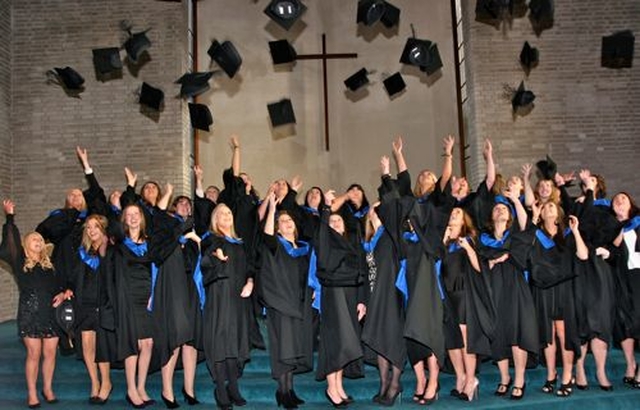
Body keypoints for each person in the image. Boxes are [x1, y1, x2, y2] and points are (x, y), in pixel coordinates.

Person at [1, 199, 72, 408]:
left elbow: (63, 285)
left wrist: (64, 293)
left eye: (40, 240)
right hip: (29, 313)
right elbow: (9, 242)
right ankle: (32, 393)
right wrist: (10, 217)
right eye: (34, 239)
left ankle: (47, 388)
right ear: (25, 245)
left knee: (50, 353)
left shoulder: (51, 266)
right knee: (34, 354)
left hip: (50, 313)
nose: (38, 242)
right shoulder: (19, 262)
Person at [478, 188, 538, 400]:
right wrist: (492, 261)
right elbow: (478, 264)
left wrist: (515, 200)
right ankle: (504, 377)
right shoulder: (483, 239)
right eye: (497, 209)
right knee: (498, 333)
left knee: (516, 331)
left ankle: (519, 378)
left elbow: (526, 225)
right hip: (493, 287)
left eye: (504, 208)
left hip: (514, 285)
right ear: (491, 216)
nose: (500, 211)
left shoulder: (515, 235)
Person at [528, 201, 588, 397]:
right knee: (548, 333)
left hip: (563, 288)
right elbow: (525, 252)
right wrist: (533, 220)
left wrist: (576, 231)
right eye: (545, 207)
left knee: (564, 332)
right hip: (544, 288)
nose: (549, 208)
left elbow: (583, 255)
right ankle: (551, 374)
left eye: (553, 205)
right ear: (541, 213)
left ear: (559, 211)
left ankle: (567, 375)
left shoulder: (568, 234)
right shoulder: (536, 234)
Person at [259, 193, 314, 409]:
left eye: (290, 220)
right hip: (280, 302)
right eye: (282, 222)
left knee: (293, 347)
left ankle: (290, 388)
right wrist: (273, 208)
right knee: (283, 347)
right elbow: (267, 235)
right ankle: (282, 391)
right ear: (277, 228)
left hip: (298, 302)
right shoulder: (276, 245)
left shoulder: (303, 248)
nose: (287, 223)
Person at [150, 185, 202, 408]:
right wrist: (168, 193)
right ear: (174, 208)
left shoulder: (194, 232)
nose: (185, 206)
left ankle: (189, 388)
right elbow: (157, 218)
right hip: (171, 287)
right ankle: (167, 389)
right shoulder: (166, 229)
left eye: (188, 205)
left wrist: (195, 240)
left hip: (190, 288)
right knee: (174, 337)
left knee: (190, 339)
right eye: (180, 203)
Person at [360, 157, 406, 406]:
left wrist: (386, 174)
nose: (376, 215)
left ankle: (396, 384)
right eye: (373, 213)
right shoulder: (367, 244)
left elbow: (394, 204)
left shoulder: (391, 237)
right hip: (374, 296)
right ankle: (383, 382)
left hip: (391, 294)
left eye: (380, 212)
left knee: (393, 339)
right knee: (378, 340)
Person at [315, 190, 367, 407]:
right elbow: (322, 231)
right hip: (333, 294)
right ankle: (331, 387)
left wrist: (361, 300)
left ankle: (339, 385)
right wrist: (327, 208)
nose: (335, 223)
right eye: (332, 221)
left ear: (345, 226)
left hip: (350, 294)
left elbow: (362, 272)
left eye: (339, 221)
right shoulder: (326, 242)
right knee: (335, 341)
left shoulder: (353, 245)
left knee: (346, 341)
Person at [200, 203, 253, 410]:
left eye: (229, 212)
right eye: (222, 213)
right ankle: (220, 389)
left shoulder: (240, 243)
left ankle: (233, 386)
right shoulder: (210, 240)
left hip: (238, 297)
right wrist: (217, 258)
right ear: (215, 218)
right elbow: (205, 262)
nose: (226, 215)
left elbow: (250, 267)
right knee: (221, 339)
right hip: (219, 296)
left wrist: (250, 282)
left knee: (234, 339)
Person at [441, 207, 494, 402]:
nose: (453, 214)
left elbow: (480, 267)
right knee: (451, 339)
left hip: (463, 293)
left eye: (458, 213)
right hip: (447, 294)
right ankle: (460, 376)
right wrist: (444, 239)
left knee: (465, 339)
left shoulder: (469, 239)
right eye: (452, 212)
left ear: (464, 220)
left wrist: (468, 248)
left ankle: (471, 379)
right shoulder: (444, 240)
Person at [113, 202, 159, 408]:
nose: (132, 217)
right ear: (123, 220)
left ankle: (141, 387)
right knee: (133, 343)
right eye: (128, 214)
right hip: (129, 297)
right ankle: (131, 389)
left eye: (136, 213)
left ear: (142, 217)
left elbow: (157, 269)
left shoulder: (151, 243)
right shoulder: (120, 245)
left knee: (148, 343)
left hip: (148, 295)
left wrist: (155, 293)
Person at [70, 213, 117, 405]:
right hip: (84, 304)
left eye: (95, 227)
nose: (91, 230)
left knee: (101, 347)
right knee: (87, 346)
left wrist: (105, 250)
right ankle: (94, 382)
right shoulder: (82, 252)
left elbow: (113, 277)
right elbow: (74, 278)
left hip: (103, 304)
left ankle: (106, 383)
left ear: (103, 229)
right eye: (88, 227)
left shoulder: (112, 250)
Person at [610, 191, 640, 389]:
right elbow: (612, 249)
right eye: (616, 200)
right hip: (621, 279)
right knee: (624, 322)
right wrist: (619, 226)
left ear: (631, 204)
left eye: (624, 199)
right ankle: (631, 365)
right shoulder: (610, 227)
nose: (620, 201)